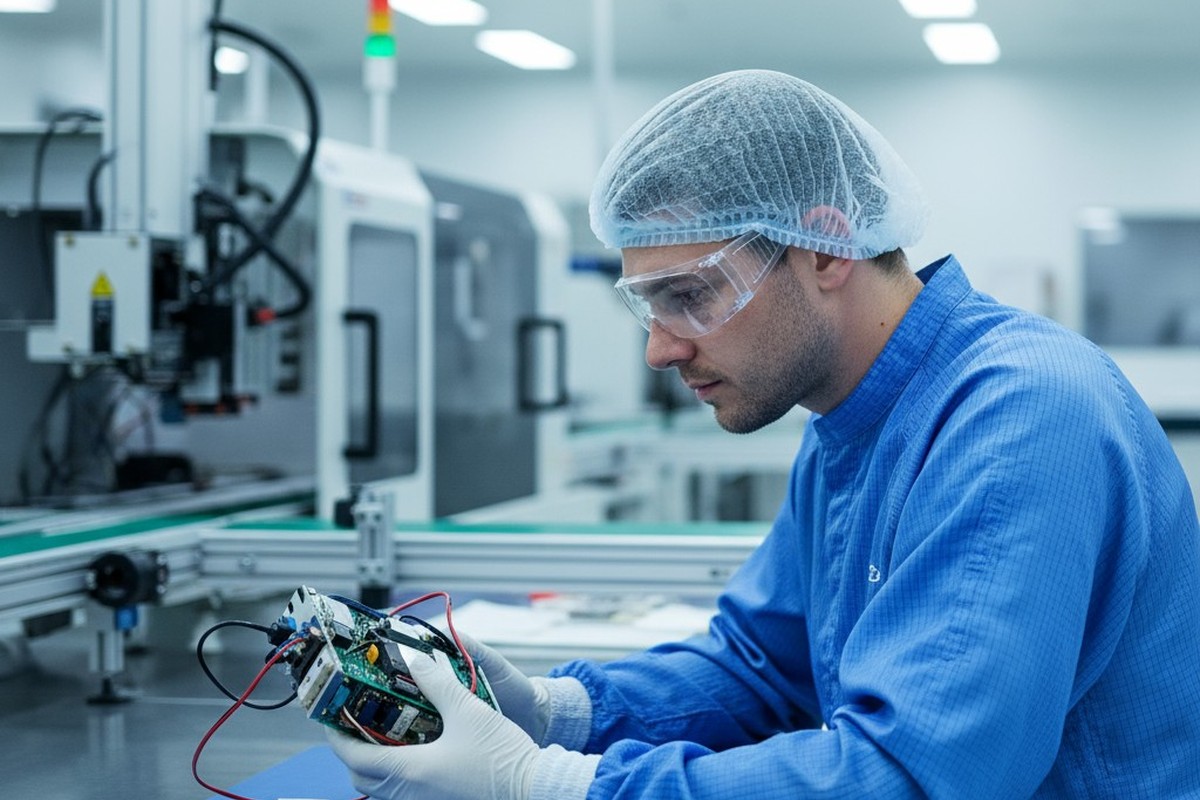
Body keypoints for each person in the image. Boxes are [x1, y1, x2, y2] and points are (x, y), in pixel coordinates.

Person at [328, 69, 1200, 799]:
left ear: (824, 248)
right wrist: (554, 712)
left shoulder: (1022, 414)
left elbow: (911, 775)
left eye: (690, 295)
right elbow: (763, 669)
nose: (661, 350)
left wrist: (549, 783)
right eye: (648, 305)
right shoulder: (852, 421)